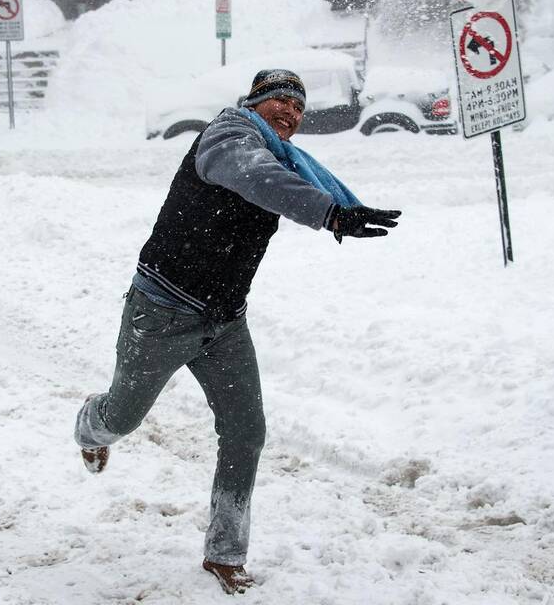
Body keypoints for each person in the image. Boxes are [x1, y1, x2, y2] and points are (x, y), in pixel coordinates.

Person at [74, 69, 401, 594]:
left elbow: (277, 183)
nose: (290, 113)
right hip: (161, 312)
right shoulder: (227, 138)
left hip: (224, 322)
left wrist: (335, 209)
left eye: (298, 109)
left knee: (247, 431)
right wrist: (329, 213)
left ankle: (225, 552)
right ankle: (92, 425)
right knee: (122, 416)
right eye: (280, 102)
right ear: (254, 103)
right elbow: (257, 178)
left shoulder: (279, 158)